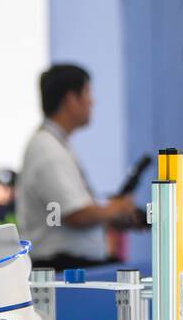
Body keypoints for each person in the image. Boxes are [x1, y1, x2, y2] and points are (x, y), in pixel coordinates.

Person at [17, 64, 142, 270]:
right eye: (87, 93)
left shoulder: (55, 144)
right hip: (62, 266)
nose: (92, 102)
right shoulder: (48, 149)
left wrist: (114, 215)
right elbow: (76, 214)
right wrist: (117, 209)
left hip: (67, 264)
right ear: (70, 100)